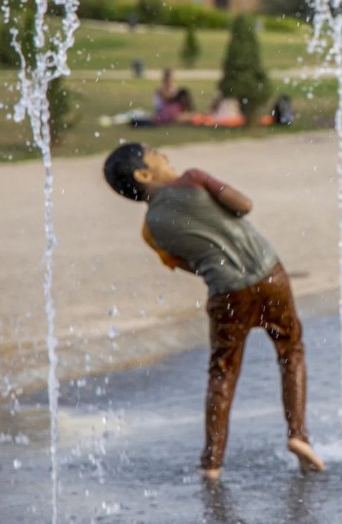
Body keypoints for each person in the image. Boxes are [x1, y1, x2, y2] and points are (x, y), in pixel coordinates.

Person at [102, 144, 325, 480]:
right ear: (144, 174)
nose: (164, 153)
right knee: (290, 349)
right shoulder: (194, 178)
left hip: (226, 292)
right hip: (270, 274)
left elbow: (190, 265)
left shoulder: (151, 230)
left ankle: (212, 463)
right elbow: (244, 205)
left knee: (222, 371)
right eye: (154, 153)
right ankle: (298, 435)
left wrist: (223, 274)